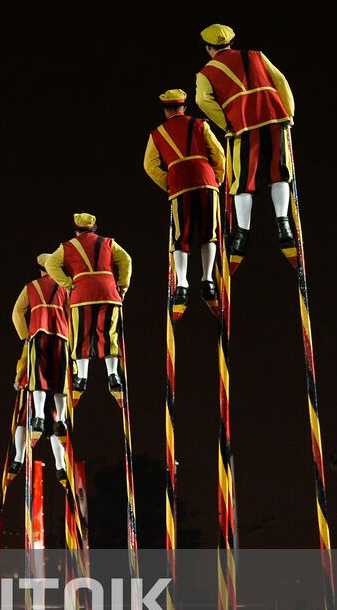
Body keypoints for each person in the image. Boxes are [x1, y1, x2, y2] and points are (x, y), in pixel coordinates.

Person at [194, 24, 296, 256]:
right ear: (231, 42)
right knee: (278, 173)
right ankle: (283, 224)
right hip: (273, 117)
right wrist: (287, 112)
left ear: (209, 48)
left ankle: (242, 233)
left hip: (243, 125)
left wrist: (226, 122)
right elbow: (280, 81)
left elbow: (202, 101)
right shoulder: (256, 56)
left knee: (243, 182)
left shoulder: (206, 73)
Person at [144, 89, 226, 307]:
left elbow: (149, 166)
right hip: (206, 180)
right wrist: (217, 176)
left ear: (165, 111)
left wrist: (169, 183)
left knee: (181, 236)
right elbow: (218, 154)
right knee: (209, 233)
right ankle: (207, 280)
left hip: (180, 186)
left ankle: (182, 285)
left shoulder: (157, 134)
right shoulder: (201, 124)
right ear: (184, 108)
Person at [45, 213, 132, 399]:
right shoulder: (109, 243)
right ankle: (113, 375)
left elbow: (51, 263)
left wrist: (67, 283)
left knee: (82, 334)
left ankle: (82, 378)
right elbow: (126, 260)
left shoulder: (67, 247)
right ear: (93, 228)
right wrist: (122, 286)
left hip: (82, 295)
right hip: (109, 293)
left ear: (76, 230)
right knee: (109, 333)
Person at [12, 253, 71, 443]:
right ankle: (60, 419)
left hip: (38, 336)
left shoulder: (31, 287)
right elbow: (72, 312)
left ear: (40, 269)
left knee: (39, 378)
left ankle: (38, 416)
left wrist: (25, 335)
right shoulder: (64, 287)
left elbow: (16, 313)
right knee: (59, 380)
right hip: (61, 337)